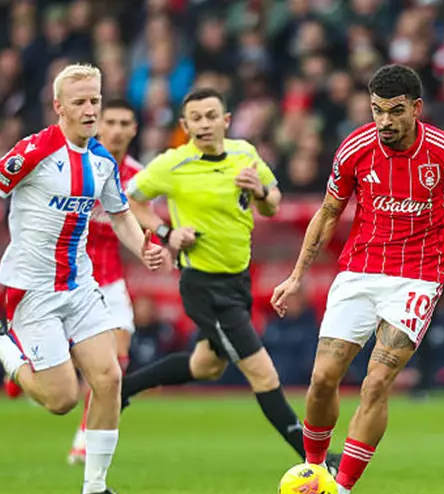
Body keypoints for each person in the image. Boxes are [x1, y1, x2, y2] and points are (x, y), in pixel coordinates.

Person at [271, 65, 444, 494]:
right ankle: (314, 474)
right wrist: (296, 275)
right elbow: (329, 212)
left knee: (375, 383)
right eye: (376, 111)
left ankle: (342, 493)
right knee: (322, 379)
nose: (384, 121)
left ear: (416, 108)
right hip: (358, 272)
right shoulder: (355, 148)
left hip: (417, 278)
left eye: (394, 111)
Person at [0, 64, 165, 494]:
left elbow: (122, 214)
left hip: (81, 286)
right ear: (59, 107)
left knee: (109, 378)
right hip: (34, 291)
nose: (91, 110)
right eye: (81, 102)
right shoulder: (35, 150)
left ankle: (95, 489)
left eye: (96, 101)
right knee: (62, 399)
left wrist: (144, 246)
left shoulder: (102, 161)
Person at [122, 87, 341, 474]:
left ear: (225, 120)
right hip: (205, 287)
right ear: (184, 125)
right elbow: (129, 200)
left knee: (206, 365)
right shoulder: (171, 164)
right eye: (196, 118)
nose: (204, 124)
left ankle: (122, 389)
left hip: (237, 282)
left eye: (211, 116)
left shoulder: (245, 154)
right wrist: (166, 233)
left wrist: (259, 191)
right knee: (263, 372)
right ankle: (315, 458)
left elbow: (273, 202)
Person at [68, 98, 145, 465]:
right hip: (68, 276)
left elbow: (145, 221)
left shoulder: (140, 178)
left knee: (117, 361)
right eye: (109, 121)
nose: (115, 129)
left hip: (110, 280)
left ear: (134, 130)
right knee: (58, 369)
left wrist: (161, 241)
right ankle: (18, 361)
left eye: (123, 122)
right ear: (98, 125)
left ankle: (84, 435)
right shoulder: (74, 164)